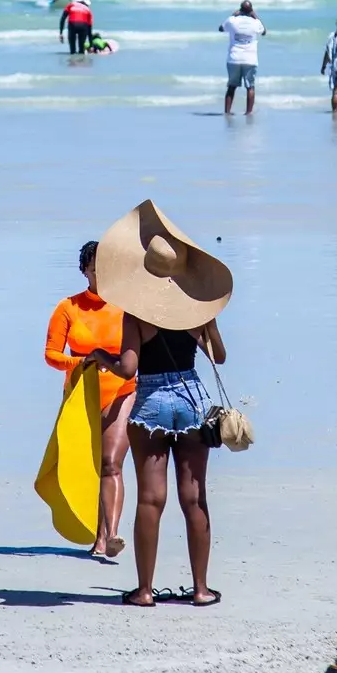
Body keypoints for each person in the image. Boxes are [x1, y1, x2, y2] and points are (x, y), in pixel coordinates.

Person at [83, 202, 231, 608]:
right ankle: (201, 590)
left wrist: (101, 357)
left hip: (150, 401)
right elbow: (219, 357)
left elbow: (128, 365)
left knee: (151, 499)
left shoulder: (136, 313)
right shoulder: (194, 310)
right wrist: (211, 323)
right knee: (194, 496)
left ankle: (145, 591)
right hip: (192, 399)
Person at [44, 239, 139, 561]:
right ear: (85, 270)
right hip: (81, 394)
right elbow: (52, 356)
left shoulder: (129, 306)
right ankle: (94, 532)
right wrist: (80, 363)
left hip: (123, 390)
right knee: (87, 467)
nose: (103, 274)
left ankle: (109, 536)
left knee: (111, 463)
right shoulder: (68, 307)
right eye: (96, 268)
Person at [219, 0, 264, 115]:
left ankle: (227, 112)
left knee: (231, 86)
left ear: (240, 10)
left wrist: (233, 15)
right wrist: (256, 16)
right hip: (250, 59)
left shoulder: (232, 21)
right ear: (251, 11)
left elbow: (221, 28)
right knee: (250, 87)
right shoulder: (255, 23)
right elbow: (263, 31)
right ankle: (248, 112)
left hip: (234, 58)